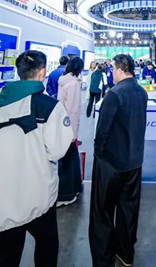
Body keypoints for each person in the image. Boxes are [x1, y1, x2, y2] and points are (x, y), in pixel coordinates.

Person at [0, 50, 74, 267]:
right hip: (38, 196)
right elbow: (57, 151)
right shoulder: (49, 106)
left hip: (2, 200)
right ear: (42, 72)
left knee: (5, 258)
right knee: (46, 250)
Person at [89, 54, 148, 267]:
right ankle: (125, 253)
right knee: (128, 211)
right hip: (134, 161)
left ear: (121, 69)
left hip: (111, 164)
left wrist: (100, 156)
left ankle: (103, 259)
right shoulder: (141, 92)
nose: (111, 73)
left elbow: (102, 131)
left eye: (113, 69)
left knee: (102, 213)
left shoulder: (114, 94)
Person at [57, 56, 85, 205]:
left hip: (61, 123)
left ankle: (72, 189)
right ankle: (68, 193)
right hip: (69, 127)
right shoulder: (74, 83)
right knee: (69, 161)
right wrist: (74, 133)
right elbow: (73, 110)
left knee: (66, 159)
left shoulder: (63, 80)